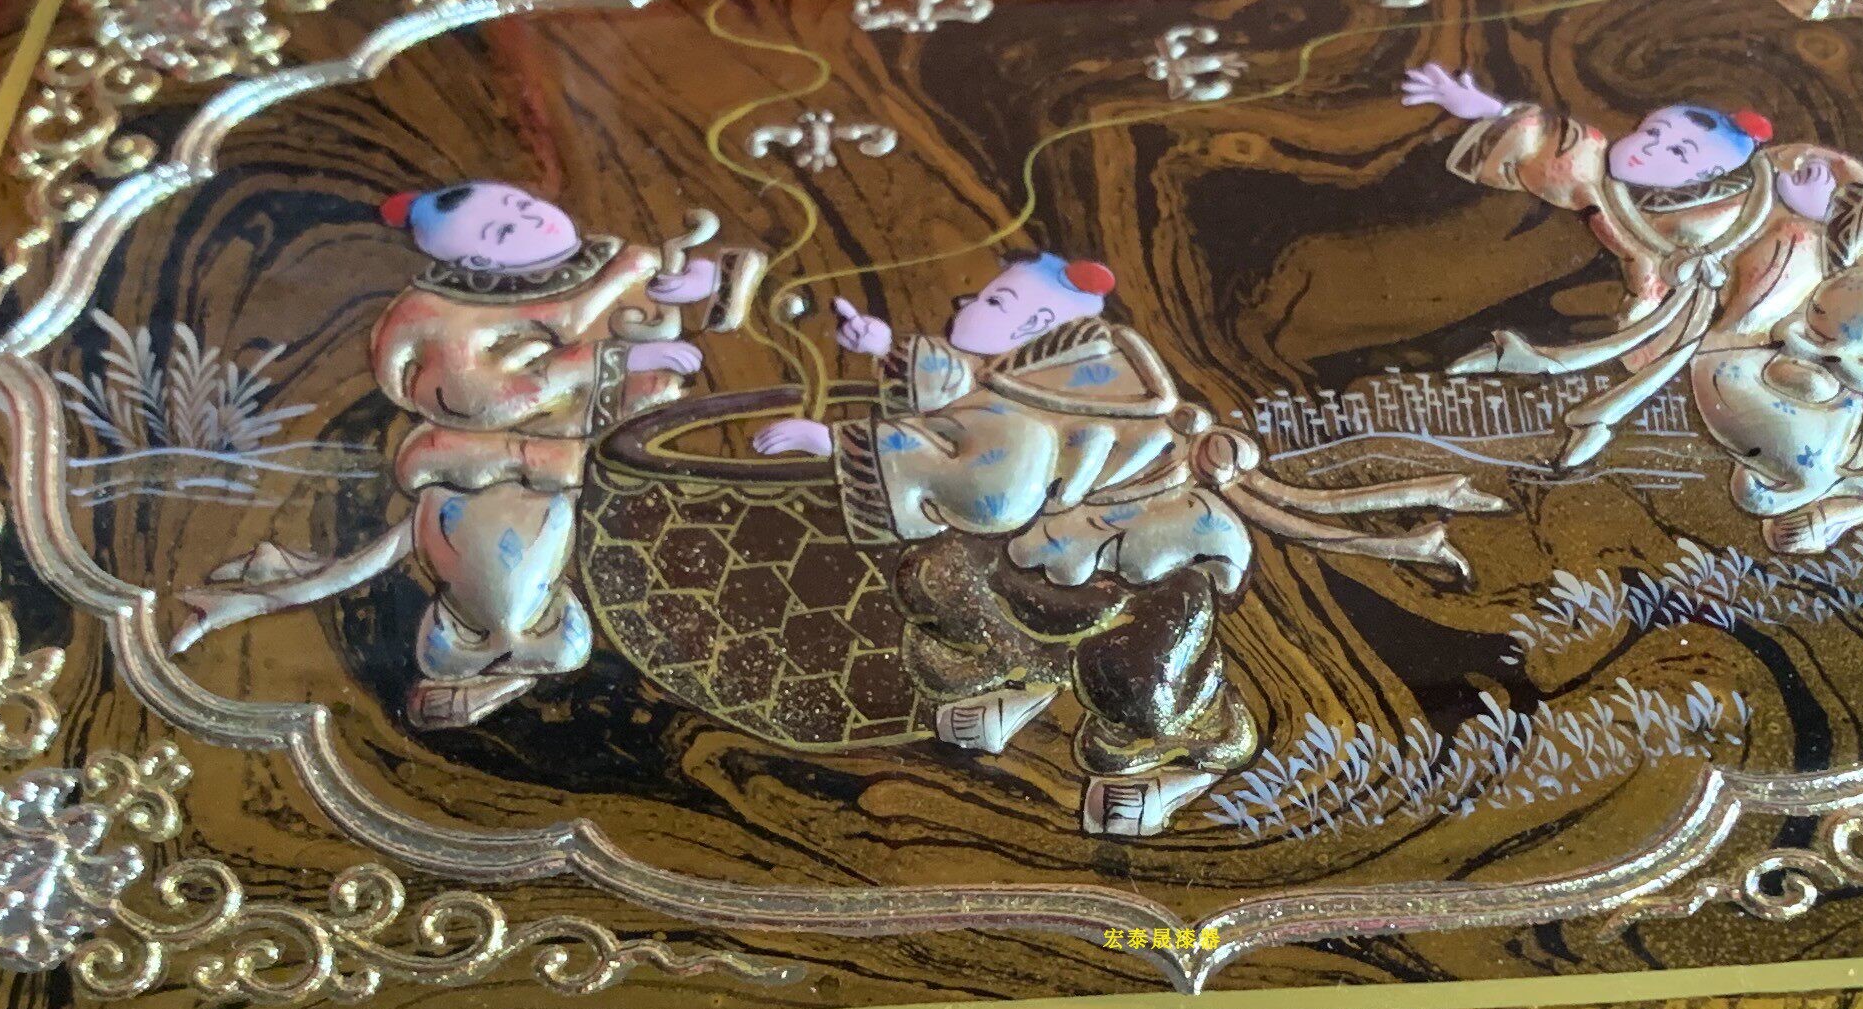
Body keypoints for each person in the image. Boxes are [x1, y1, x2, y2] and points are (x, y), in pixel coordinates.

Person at [755, 253, 1495, 837]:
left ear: (1040, 321)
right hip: (1042, 546)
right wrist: (886, 348)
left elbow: (993, 479)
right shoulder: (1026, 371)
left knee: (1135, 677)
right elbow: (967, 397)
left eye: (994, 302)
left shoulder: (1093, 380)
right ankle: (1023, 684)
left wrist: (833, 443)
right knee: (940, 578)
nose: (967, 303)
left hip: (1143, 553)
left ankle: (1190, 761)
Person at [173, 182, 720, 729]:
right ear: (478, 262)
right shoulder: (444, 317)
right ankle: (482, 665)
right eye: (504, 230)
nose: (531, 219)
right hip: (489, 485)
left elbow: (648, 320)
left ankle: (292, 578)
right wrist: (601, 359)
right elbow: (486, 396)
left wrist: (688, 286)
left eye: (523, 204)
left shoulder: (604, 264)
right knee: (515, 604)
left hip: (546, 476)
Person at [1400, 64, 1863, 552]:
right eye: (1653, 132)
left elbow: (1852, 262)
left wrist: (1822, 216)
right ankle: (1838, 491)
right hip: (1727, 345)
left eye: (1678, 152)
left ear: (1709, 172)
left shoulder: (1777, 213)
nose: (1649, 148)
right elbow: (1552, 144)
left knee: (1804, 408)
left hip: (1764, 340)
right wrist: (1481, 106)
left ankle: (1842, 494)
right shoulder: (1609, 185)